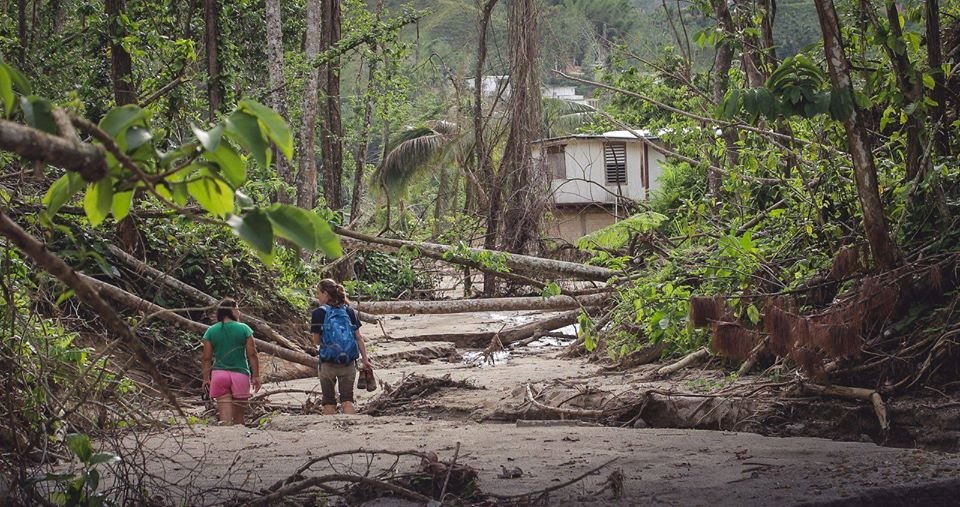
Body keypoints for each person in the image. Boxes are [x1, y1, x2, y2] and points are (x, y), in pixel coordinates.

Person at [311, 279, 372, 415]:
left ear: (325, 294)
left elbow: (317, 341)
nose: (317, 296)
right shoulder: (349, 311)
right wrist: (365, 360)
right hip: (348, 364)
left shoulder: (318, 313)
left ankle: (329, 427)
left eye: (318, 293)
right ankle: (351, 425)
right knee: (347, 400)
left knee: (329, 402)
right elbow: (359, 337)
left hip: (327, 364)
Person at [201, 298, 261, 425]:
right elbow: (252, 354)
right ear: (232, 310)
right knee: (239, 417)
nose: (239, 312)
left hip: (219, 375)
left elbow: (206, 358)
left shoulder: (211, 331)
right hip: (240, 374)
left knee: (225, 419)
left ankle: (226, 433)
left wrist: (206, 378)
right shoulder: (244, 329)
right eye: (237, 309)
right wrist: (256, 376)